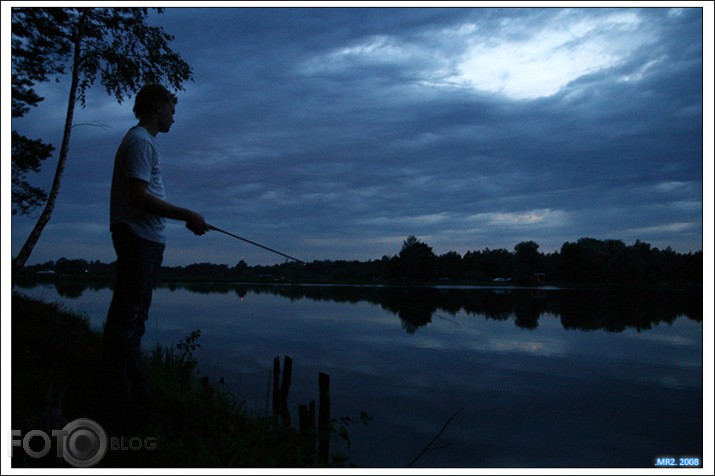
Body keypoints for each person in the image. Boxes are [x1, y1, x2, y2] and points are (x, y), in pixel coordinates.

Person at [102, 84, 209, 419]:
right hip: (138, 238)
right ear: (158, 107)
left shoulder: (142, 142)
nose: (173, 119)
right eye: (172, 111)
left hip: (145, 240)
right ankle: (117, 397)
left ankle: (134, 388)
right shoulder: (139, 142)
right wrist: (187, 215)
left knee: (135, 318)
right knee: (126, 319)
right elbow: (138, 195)